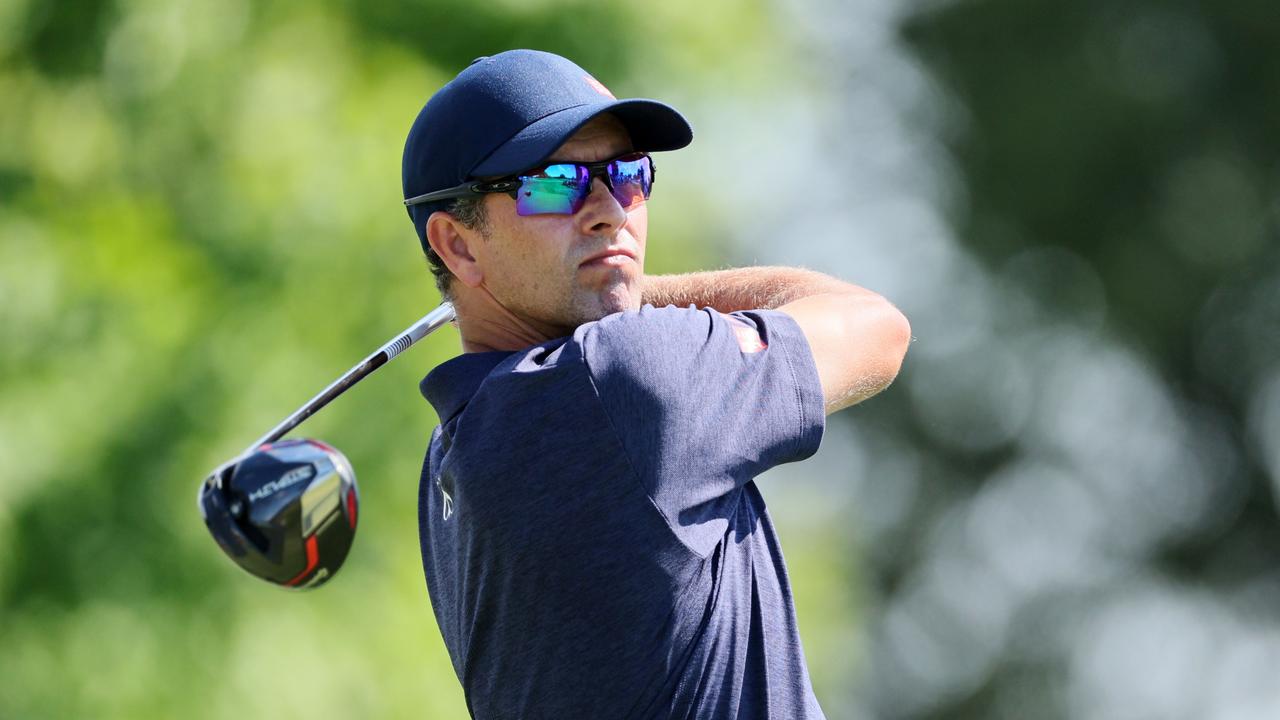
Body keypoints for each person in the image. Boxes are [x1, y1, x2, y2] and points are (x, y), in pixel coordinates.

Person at [401, 50, 910, 719]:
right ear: (458, 245)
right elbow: (875, 325)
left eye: (627, 174)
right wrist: (633, 292)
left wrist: (612, 287)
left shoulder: (448, 458)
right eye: (554, 181)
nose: (609, 210)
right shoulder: (621, 381)